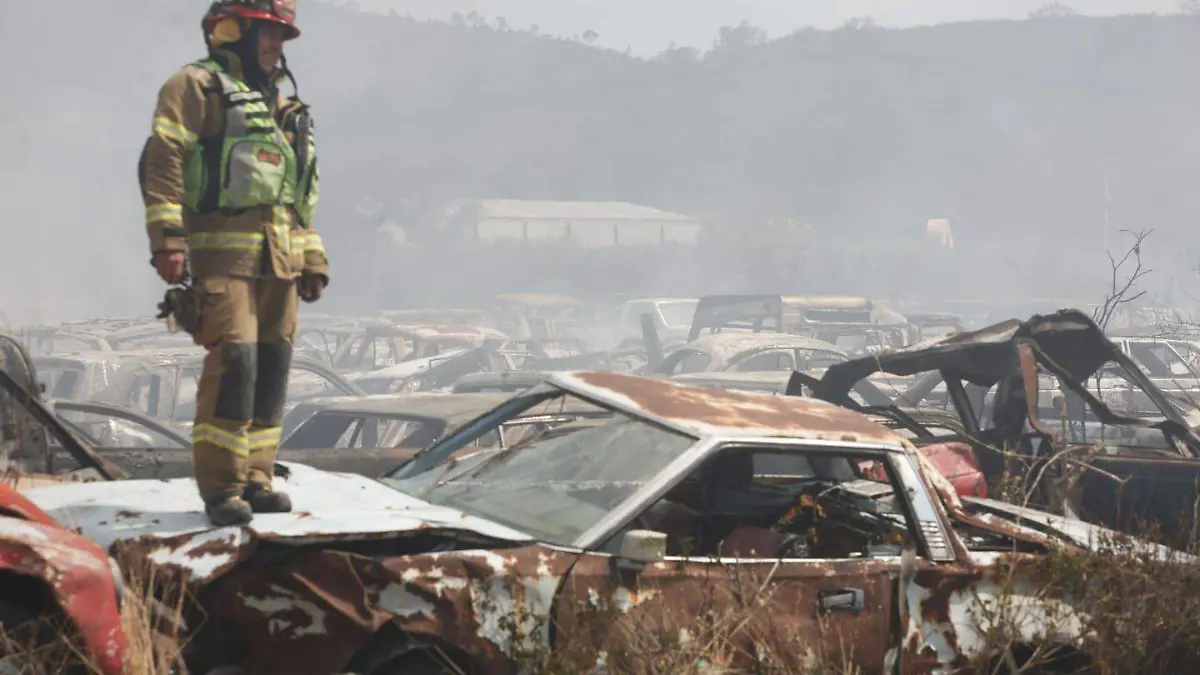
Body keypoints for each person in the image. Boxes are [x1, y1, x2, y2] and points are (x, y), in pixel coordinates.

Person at [138, 0, 330, 525]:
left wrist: (312, 257)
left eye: (282, 37)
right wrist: (169, 240)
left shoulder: (282, 107)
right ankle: (223, 489)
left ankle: (256, 479)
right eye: (267, 33)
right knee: (236, 368)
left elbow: (296, 196)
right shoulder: (195, 87)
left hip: (281, 264)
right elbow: (163, 159)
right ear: (231, 30)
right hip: (224, 259)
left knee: (272, 370)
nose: (276, 46)